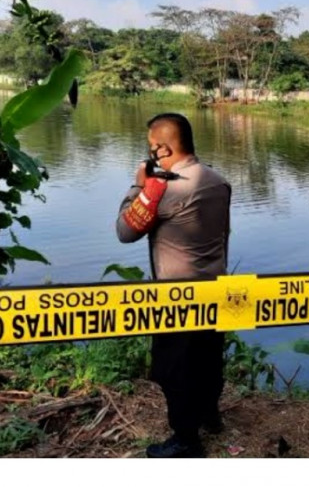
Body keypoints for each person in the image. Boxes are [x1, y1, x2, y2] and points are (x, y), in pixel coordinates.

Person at [115, 113, 231, 458]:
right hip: (216, 287)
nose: (150, 154)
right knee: (208, 360)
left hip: (178, 295)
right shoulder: (218, 181)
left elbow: (125, 231)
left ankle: (186, 440)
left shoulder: (168, 190)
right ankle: (210, 416)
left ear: (163, 149)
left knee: (174, 369)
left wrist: (139, 186)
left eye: (152, 148)